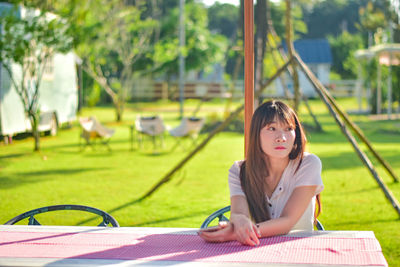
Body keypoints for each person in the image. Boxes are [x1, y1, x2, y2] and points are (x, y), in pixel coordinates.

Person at [199, 100, 323, 246]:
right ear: (256, 134)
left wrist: (237, 232)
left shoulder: (308, 164)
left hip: (301, 250)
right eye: (272, 128)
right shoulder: (239, 171)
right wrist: (238, 221)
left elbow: (288, 221)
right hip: (255, 250)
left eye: (288, 129)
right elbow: (239, 213)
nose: (281, 137)